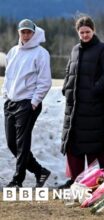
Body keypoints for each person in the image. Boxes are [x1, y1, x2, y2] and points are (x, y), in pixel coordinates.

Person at [60, 16, 104, 188]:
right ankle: (75, 180)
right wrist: (65, 88)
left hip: (93, 106)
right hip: (74, 106)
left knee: (93, 142)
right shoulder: (75, 50)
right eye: (81, 32)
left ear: (93, 30)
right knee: (74, 143)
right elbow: (69, 71)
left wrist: (94, 90)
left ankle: (96, 180)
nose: (84, 35)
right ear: (78, 33)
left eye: (87, 32)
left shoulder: (103, 49)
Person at [2, 19, 52, 187]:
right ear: (19, 33)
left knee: (22, 144)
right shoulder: (13, 51)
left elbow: (44, 81)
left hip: (27, 103)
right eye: (22, 31)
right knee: (12, 143)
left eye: (28, 32)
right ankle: (40, 171)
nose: (25, 34)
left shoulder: (41, 53)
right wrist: (6, 96)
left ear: (34, 32)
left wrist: (34, 102)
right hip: (11, 102)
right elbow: (8, 77)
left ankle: (17, 180)